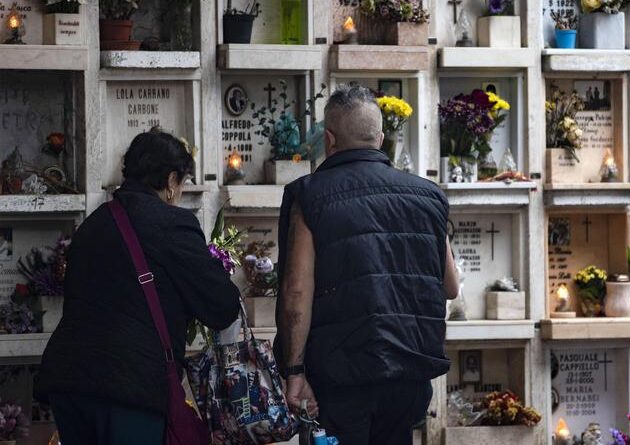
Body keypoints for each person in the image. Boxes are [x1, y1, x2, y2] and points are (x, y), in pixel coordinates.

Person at [274, 84, 460, 445]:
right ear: (380, 137)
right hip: (409, 374)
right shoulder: (428, 196)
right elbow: (450, 286)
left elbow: (297, 292)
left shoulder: (311, 196)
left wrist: (294, 370)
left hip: (341, 377)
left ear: (329, 140)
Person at [36, 129, 241, 445]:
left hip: (69, 383)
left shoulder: (93, 225)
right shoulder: (172, 223)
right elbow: (222, 305)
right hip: (129, 389)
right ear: (171, 181)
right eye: (183, 183)